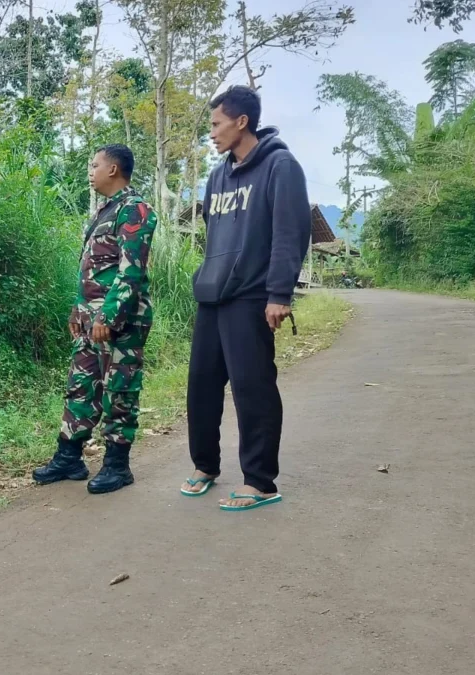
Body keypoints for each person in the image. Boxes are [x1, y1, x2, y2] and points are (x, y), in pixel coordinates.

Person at [181, 85, 311, 511]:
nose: (212, 133)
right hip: (213, 295)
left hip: (252, 297)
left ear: (242, 122)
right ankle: (205, 466)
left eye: (216, 124)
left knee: (252, 388)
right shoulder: (217, 176)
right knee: (201, 383)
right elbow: (214, 238)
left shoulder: (280, 166)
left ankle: (260, 481)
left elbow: (289, 234)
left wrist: (278, 293)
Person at [32, 145, 158, 495]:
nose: (90, 170)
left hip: (120, 321)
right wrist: (79, 309)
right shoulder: (106, 210)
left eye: (95, 165)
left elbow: (130, 270)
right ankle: (69, 456)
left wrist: (109, 315)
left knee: (119, 389)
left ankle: (118, 465)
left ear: (114, 169)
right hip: (90, 319)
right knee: (81, 385)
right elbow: (92, 269)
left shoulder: (135, 209)